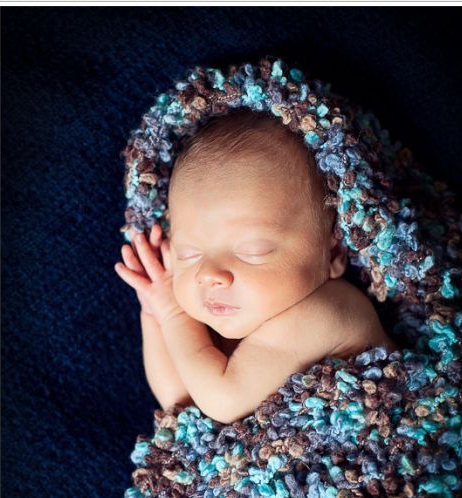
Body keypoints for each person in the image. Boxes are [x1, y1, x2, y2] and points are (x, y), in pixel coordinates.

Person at [114, 109, 397, 423]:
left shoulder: (331, 311)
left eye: (253, 250)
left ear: (332, 254)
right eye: (188, 254)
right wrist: (153, 314)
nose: (208, 274)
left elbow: (223, 400)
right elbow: (180, 403)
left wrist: (174, 314)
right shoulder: (231, 322)